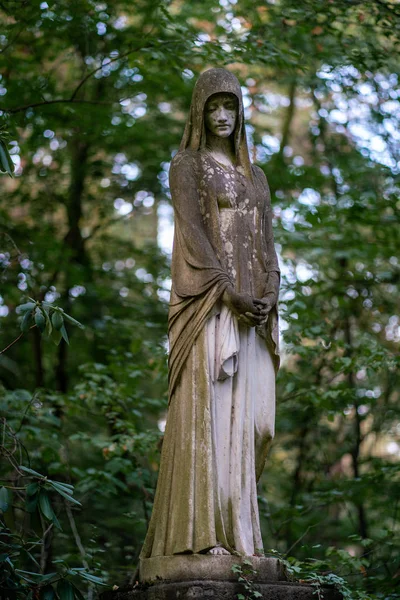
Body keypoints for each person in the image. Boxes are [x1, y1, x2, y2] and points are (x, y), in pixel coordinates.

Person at [140, 67, 280, 559]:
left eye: (230, 107)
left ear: (241, 113)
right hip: (211, 309)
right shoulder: (188, 166)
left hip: (255, 316)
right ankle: (204, 537)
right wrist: (228, 293)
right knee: (214, 423)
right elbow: (195, 237)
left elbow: (267, 245)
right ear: (200, 112)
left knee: (259, 426)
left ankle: (241, 533)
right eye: (213, 107)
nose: (222, 116)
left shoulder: (256, 176)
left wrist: (270, 293)